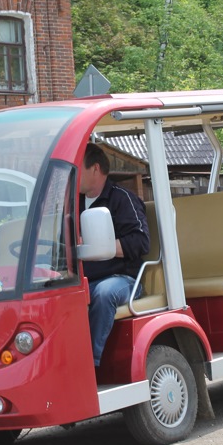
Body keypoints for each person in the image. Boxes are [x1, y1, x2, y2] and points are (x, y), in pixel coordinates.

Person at [79, 143, 150, 367]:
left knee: (104, 293)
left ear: (95, 169)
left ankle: (90, 366)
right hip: (84, 280)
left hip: (124, 280)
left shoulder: (122, 199)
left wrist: (101, 246)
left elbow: (141, 241)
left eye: (77, 168)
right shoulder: (73, 204)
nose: (72, 174)